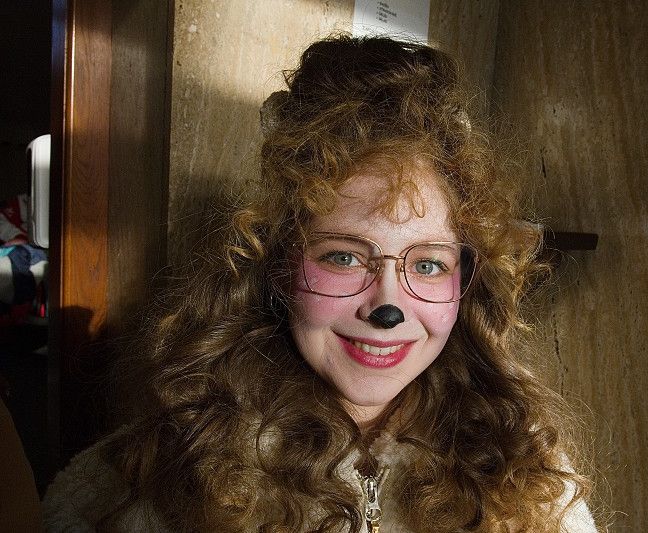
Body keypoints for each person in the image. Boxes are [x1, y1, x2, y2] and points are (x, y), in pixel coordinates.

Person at [43, 35, 597, 532]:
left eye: (428, 265)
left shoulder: (526, 470)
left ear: (467, 281)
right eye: (344, 257)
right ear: (279, 267)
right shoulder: (165, 471)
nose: (388, 307)